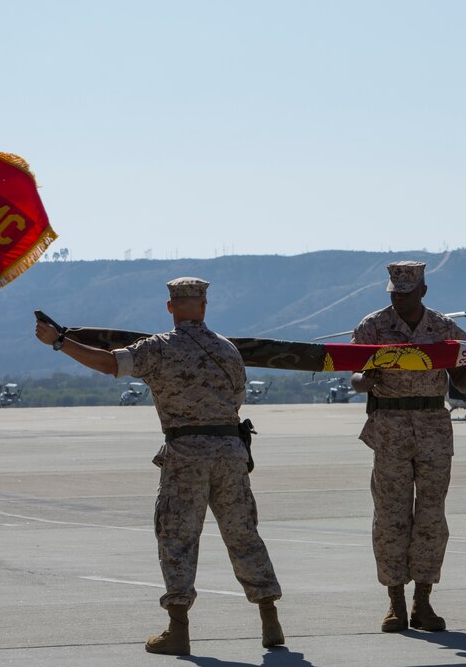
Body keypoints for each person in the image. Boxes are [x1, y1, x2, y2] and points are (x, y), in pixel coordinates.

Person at [34, 277, 284, 656]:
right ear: (203, 306)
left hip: (186, 455)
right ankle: (270, 619)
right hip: (230, 452)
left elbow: (108, 363)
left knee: (177, 538)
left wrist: (59, 342)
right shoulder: (229, 351)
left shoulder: (158, 348)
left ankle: (178, 629)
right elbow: (237, 398)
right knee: (242, 533)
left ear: (170, 307)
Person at [350, 261, 466, 633]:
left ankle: (423, 601)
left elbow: (462, 383)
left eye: (406, 293)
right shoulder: (372, 327)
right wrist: (368, 378)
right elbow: (354, 376)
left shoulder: (444, 329)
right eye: (394, 293)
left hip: (433, 429)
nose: (399, 299)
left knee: (430, 516)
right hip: (390, 428)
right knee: (391, 515)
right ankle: (394, 602)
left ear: (422, 291)